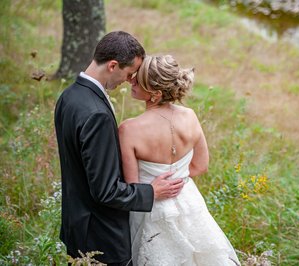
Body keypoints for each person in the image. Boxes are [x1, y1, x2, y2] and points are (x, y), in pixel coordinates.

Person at [54, 31, 184, 265]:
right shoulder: (96, 114)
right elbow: (105, 191)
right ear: (113, 65)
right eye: (129, 73)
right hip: (100, 238)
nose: (129, 80)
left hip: (76, 225)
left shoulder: (69, 96)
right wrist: (152, 192)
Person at [119, 54, 240, 265]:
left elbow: (133, 186)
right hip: (188, 200)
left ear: (155, 94)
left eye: (139, 79)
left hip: (152, 209)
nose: (132, 80)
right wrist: (178, 180)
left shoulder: (129, 129)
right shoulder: (190, 116)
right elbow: (201, 165)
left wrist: (156, 187)